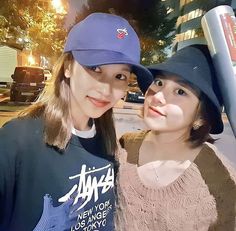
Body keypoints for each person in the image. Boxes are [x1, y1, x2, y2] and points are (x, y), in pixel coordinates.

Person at [0, 13, 152, 231]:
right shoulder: (17, 141)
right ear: (68, 67)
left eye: (120, 76)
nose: (107, 89)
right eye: (95, 68)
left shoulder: (108, 145)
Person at [116, 45, 236, 231]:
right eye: (159, 83)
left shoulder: (220, 180)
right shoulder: (123, 146)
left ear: (201, 115)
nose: (158, 97)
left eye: (180, 91)